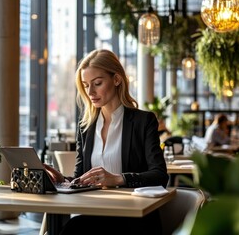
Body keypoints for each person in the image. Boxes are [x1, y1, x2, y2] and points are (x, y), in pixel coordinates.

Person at [44, 49, 169, 235]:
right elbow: (81, 177)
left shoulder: (144, 121)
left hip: (133, 219)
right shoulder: (85, 126)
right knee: (71, 229)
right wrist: (63, 181)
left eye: (97, 83)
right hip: (95, 215)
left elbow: (160, 175)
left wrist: (119, 178)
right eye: (86, 85)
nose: (90, 92)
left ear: (117, 79)